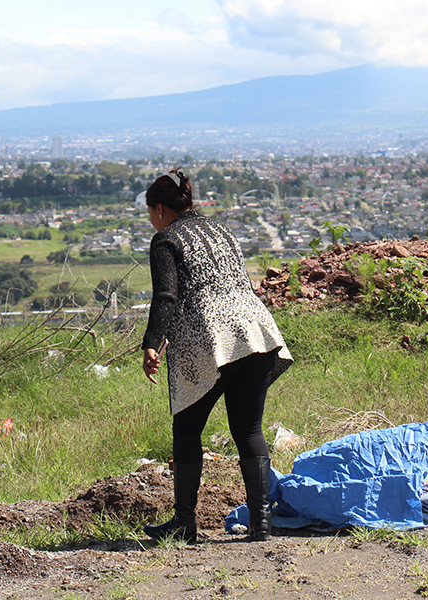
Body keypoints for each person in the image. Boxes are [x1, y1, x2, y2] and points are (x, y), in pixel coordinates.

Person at [141, 169, 293, 542]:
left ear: (160, 208)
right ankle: (261, 523)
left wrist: (151, 341)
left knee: (188, 428)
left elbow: (167, 297)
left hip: (209, 337)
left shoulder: (166, 240)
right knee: (248, 429)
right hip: (256, 331)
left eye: (149, 211)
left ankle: (184, 523)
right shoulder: (220, 230)